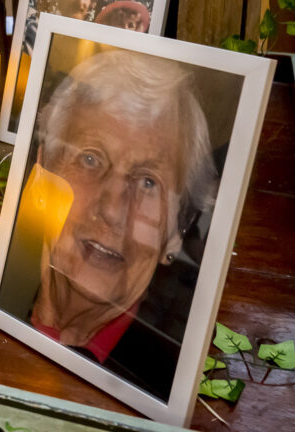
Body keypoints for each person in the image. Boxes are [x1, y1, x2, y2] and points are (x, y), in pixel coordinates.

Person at [11, 49, 217, 398]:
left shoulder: (169, 386)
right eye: (90, 159)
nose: (113, 210)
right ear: (43, 172)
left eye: (148, 182)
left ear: (176, 234)